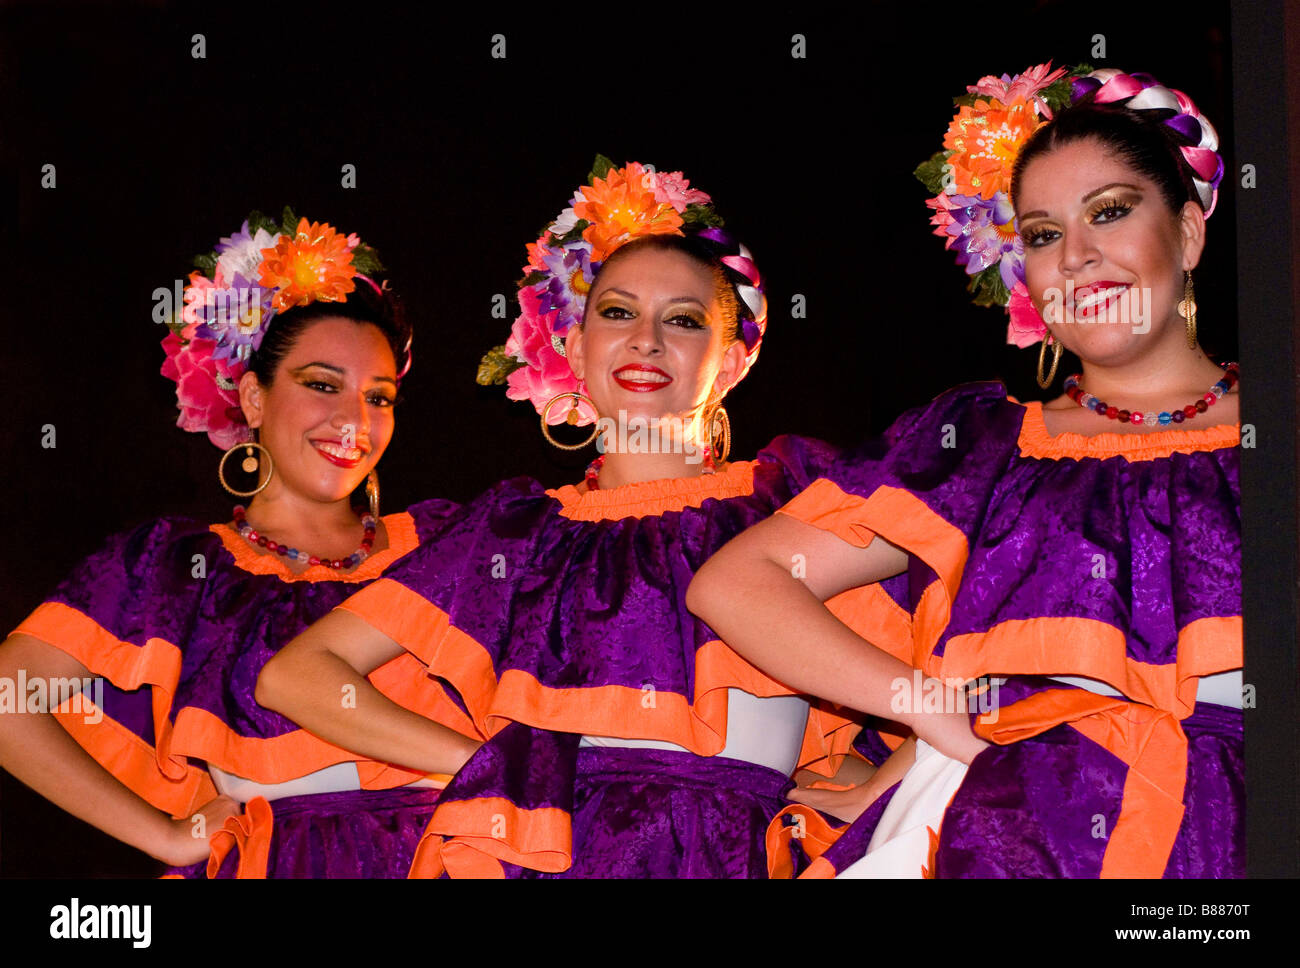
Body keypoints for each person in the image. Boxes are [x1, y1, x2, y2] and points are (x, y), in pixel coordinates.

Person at [257, 159, 906, 877]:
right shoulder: (515, 532)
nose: (646, 340)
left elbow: (982, 634)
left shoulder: (791, 500)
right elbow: (297, 675)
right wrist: (494, 769)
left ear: (731, 365)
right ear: (574, 349)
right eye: (618, 312)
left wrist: (890, 774)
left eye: (683, 321)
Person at [687, 65, 1242, 878]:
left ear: (1189, 233)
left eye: (1111, 213)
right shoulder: (979, 444)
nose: (1079, 258)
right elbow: (736, 583)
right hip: (1005, 825)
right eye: (1044, 235)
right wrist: (941, 716)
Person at [0, 210, 478, 878]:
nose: (354, 420)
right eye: (321, 385)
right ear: (254, 398)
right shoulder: (175, 570)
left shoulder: (451, 543)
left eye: (380, 396)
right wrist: (163, 836)